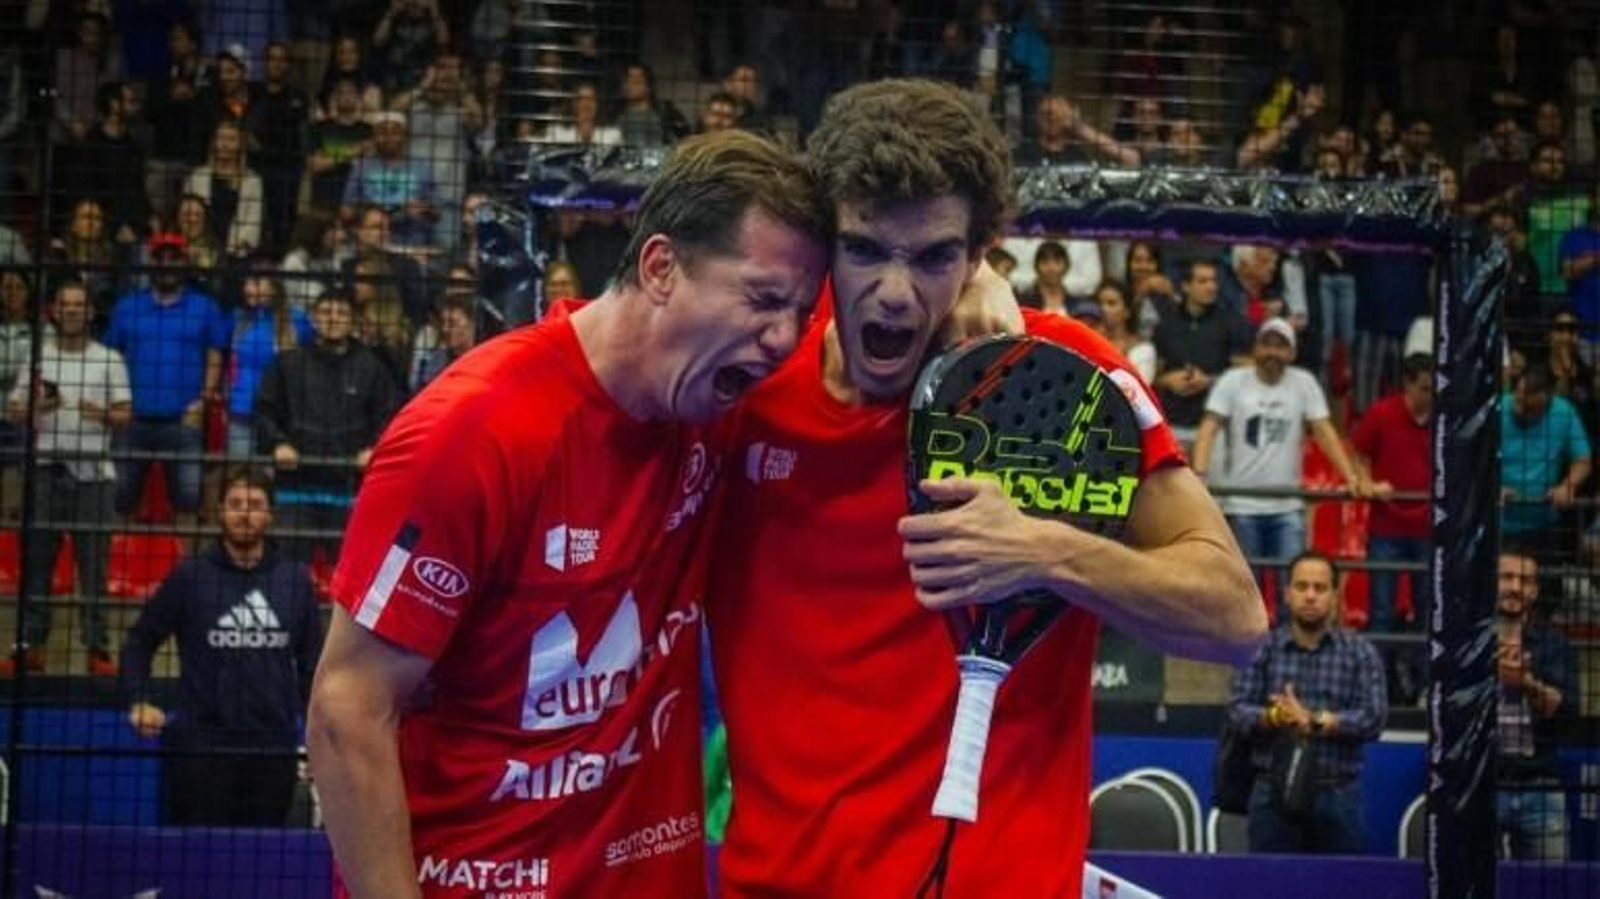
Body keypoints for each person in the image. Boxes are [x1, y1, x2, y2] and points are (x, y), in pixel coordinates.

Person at [707, 78, 1265, 897]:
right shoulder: (748, 372)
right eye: (865, 248)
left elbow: (1236, 615)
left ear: (977, 256)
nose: (896, 291)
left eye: (934, 255)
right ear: (825, 244)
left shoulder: (1059, 376)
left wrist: (1044, 548)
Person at [305, 130, 830, 897]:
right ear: (659, 267)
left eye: (798, 309)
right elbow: (347, 706)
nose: (784, 337)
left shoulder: (721, 390)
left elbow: (893, 314)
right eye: (762, 299)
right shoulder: (473, 433)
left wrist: (979, 286)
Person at [120, 466, 323, 826]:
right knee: (197, 863)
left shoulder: (295, 581)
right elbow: (140, 641)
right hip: (202, 747)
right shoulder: (190, 576)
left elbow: (313, 665)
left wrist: (318, 731)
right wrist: (138, 699)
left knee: (261, 862)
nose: (245, 513)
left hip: (272, 748)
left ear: (270, 514)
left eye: (255, 504)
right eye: (236, 503)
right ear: (220, 513)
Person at [2, 282, 131, 677]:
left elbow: (125, 413)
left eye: (79, 304)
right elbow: (14, 409)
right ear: (53, 311)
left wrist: (102, 414)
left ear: (90, 311)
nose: (73, 311)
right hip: (45, 471)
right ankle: (29, 645)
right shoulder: (39, 358)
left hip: (93, 474)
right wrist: (41, 405)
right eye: (66, 304)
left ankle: (97, 648)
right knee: (37, 565)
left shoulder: (109, 358)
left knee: (94, 569)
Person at [1226, 551, 1387, 853]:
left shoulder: (1360, 653)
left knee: (1341, 888)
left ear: (1335, 596)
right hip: (1270, 794)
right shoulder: (1262, 648)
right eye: (1301, 587)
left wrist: (1314, 722)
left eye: (1320, 588)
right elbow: (1237, 711)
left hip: (1338, 795)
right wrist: (1277, 716)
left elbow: (1374, 718)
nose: (1310, 596)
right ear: (1287, 594)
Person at [1193, 318, 1370, 580]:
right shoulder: (1233, 381)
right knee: (1245, 587)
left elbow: (1324, 432)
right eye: (1266, 345)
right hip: (1242, 505)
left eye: (1281, 346)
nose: (1272, 352)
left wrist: (1350, 477)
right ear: (1255, 348)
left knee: (1293, 584)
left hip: (1287, 506)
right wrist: (1199, 475)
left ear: (1292, 353)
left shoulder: (1304, 383)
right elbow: (1209, 428)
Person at [253, 291, 399, 568]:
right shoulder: (288, 363)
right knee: (288, 571)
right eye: (326, 311)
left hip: (348, 487)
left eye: (342, 313)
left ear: (353, 321)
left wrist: (375, 449)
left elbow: (390, 416)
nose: (333, 319)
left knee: (349, 573)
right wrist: (276, 443)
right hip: (295, 487)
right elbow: (264, 410)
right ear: (313, 318)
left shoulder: (373, 368)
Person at [102, 232, 229, 528]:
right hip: (133, 419)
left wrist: (203, 400)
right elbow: (110, 357)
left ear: (185, 263)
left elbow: (215, 355)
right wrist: (117, 402)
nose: (167, 264)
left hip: (184, 420)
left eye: (174, 258)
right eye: (161, 257)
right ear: (151, 262)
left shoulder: (205, 307)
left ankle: (189, 571)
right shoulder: (127, 307)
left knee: (188, 498)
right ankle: (120, 569)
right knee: (120, 495)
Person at [1352, 352, 1433, 703]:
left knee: (1429, 609)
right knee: (1381, 611)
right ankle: (1377, 685)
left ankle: (1424, 683)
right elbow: (1356, 453)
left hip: (1429, 529)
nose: (1430, 395)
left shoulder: (1443, 417)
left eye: (1434, 388)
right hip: (1387, 526)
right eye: (1424, 388)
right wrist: (1368, 482)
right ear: (1408, 384)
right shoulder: (1382, 414)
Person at [1495, 548, 1577, 861]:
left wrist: (1526, 684)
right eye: (1506, 577)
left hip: (1540, 787)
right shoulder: (1468, 641)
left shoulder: (1554, 643)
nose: (1515, 587)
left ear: (1536, 590)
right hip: (1481, 786)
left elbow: (1568, 710)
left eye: (1525, 580)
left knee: (1551, 885)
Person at [1151, 259, 1252, 447]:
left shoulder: (1232, 323)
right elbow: (1154, 376)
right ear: (1186, 286)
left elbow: (1245, 374)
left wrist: (1209, 381)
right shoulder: (1165, 326)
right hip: (1172, 424)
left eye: (1213, 281)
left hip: (1215, 424)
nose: (1211, 287)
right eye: (1203, 281)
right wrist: (1168, 380)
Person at [1501, 365, 1591, 554]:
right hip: (1497, 522)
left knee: (1547, 581)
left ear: (1546, 401)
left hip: (1544, 523)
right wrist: (1490, 487)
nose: (1519, 409)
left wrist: (1568, 485)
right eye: (1517, 400)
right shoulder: (1497, 408)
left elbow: (1582, 460)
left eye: (1528, 407)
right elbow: (1469, 458)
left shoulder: (1563, 412)